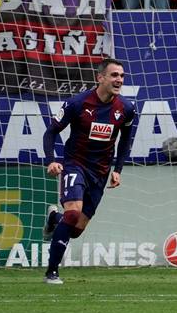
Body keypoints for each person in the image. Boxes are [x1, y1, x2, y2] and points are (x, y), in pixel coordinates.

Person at [40, 58, 138, 284]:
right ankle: (51, 271)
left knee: (75, 229)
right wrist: (51, 160)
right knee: (73, 213)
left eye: (122, 76)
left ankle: (55, 217)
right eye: (114, 75)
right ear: (100, 78)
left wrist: (118, 169)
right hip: (75, 164)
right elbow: (50, 133)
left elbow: (125, 141)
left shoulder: (127, 109)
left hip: (100, 172)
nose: (119, 80)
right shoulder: (77, 103)